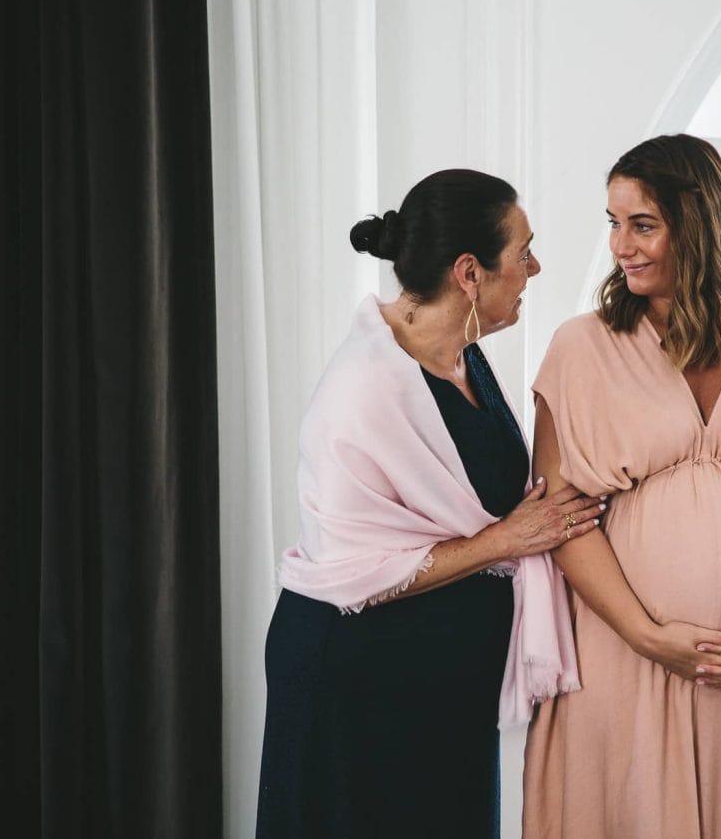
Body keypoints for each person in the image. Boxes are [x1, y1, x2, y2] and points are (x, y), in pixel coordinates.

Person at [522, 135, 721, 839]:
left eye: (643, 225)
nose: (621, 246)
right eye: (613, 224)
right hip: (627, 658)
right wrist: (648, 636)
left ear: (699, 225)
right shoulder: (582, 348)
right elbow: (560, 519)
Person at [255, 169, 601, 839]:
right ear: (469, 272)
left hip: (440, 683)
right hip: (353, 678)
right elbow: (350, 568)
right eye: (523, 252)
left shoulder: (464, 359)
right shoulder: (364, 388)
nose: (535, 267)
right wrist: (506, 540)